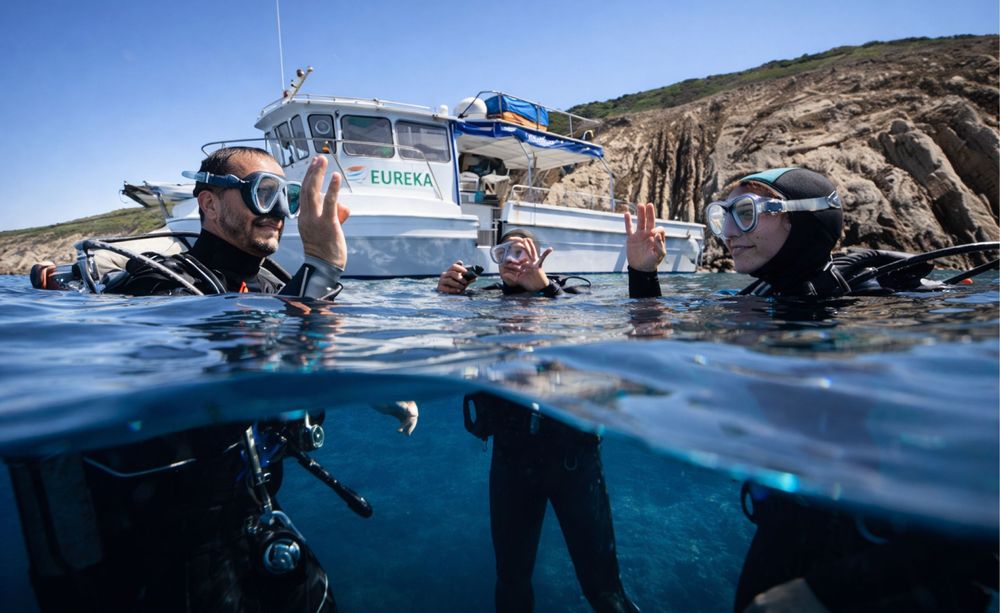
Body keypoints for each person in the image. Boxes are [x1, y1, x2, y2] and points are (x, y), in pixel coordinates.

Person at [10, 146, 376, 612]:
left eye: (286, 197)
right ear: (209, 204)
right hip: (173, 545)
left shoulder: (270, 286)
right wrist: (321, 266)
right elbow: (243, 375)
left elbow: (305, 368)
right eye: (264, 194)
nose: (278, 213)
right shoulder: (159, 288)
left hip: (250, 517)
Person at [623, 167, 997, 612]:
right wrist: (642, 274)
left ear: (800, 218)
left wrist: (830, 589)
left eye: (745, 213)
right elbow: (654, 357)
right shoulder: (754, 300)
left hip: (893, 543)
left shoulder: (884, 305)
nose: (728, 231)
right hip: (793, 511)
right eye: (721, 216)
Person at [438, 230, 638, 613]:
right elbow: (448, 343)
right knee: (511, 581)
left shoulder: (570, 295)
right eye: (504, 251)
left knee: (604, 590)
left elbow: (602, 332)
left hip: (574, 460)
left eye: (522, 251)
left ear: (541, 256)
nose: (513, 259)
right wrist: (445, 300)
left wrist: (544, 292)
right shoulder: (481, 303)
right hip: (511, 461)